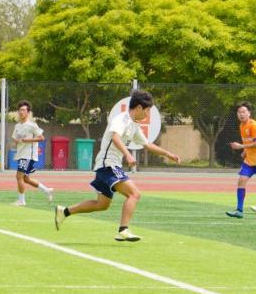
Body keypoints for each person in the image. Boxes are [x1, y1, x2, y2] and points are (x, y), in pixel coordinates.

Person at [54, 90, 179, 241]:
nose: (147, 114)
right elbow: (115, 137)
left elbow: (146, 144)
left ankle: (64, 212)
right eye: (147, 111)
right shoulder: (122, 119)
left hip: (106, 166)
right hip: (108, 165)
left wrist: (167, 153)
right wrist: (128, 155)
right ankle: (123, 230)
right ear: (139, 107)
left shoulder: (134, 124)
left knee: (102, 204)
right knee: (134, 194)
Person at [10, 100, 53, 206]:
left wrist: (27, 140)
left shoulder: (32, 125)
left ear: (28, 112)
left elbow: (41, 138)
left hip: (28, 155)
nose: (21, 112)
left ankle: (21, 201)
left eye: (24, 110)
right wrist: (17, 141)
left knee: (18, 177)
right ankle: (46, 190)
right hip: (21, 154)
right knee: (25, 179)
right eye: (20, 110)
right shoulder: (17, 126)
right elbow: (14, 138)